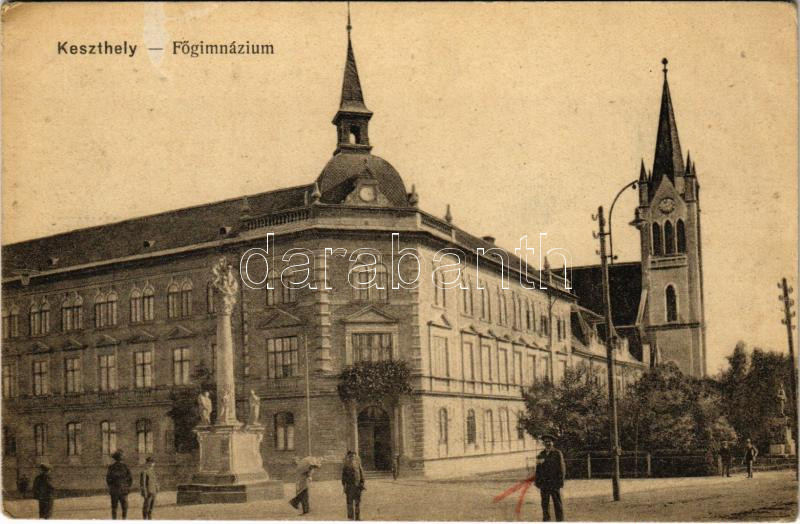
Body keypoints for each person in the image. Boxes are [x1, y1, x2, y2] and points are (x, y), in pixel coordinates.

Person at [534, 434, 565, 522]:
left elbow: (562, 468)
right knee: (544, 504)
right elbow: (538, 469)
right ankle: (546, 520)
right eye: (546, 442)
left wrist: (560, 482)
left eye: (549, 442)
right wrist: (537, 481)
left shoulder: (557, 453)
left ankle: (560, 520)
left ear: (552, 443)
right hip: (544, 484)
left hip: (554, 483)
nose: (547, 443)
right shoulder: (541, 454)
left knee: (557, 503)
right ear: (544, 443)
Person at [106, 450, 132, 519]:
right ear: (121, 458)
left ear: (115, 458)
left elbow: (108, 479)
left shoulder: (111, 467)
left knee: (114, 508)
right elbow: (130, 479)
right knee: (124, 508)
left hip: (114, 490)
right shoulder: (125, 467)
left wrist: (111, 487)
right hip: (124, 491)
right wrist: (127, 487)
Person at [342, 451, 366, 520]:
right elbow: (343, 476)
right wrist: (344, 486)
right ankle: (351, 518)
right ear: (349, 457)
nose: (352, 457)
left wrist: (362, 482)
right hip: (349, 487)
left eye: (353, 456)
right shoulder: (345, 465)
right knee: (349, 503)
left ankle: (358, 517)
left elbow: (361, 473)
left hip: (357, 486)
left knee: (357, 503)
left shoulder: (358, 464)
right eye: (351, 456)